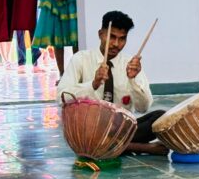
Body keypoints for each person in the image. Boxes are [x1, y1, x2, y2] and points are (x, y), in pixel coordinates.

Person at [56, 10, 167, 155]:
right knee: (88, 135)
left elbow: (143, 107)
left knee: (161, 117)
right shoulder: (81, 59)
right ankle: (139, 147)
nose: (116, 44)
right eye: (112, 37)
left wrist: (132, 80)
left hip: (121, 130)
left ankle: (111, 145)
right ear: (100, 34)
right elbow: (61, 97)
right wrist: (93, 84)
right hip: (90, 130)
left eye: (122, 39)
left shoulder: (131, 64)